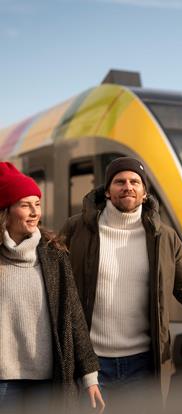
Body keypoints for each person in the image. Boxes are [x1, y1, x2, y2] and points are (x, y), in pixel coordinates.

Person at [60, 157, 182, 410]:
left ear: (144, 192)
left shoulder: (164, 237)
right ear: (107, 191)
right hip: (90, 363)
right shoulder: (76, 229)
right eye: (119, 182)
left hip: (144, 363)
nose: (127, 186)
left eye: (134, 182)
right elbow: (55, 283)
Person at [0, 162, 105, 413]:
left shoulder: (54, 254)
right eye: (25, 205)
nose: (35, 211)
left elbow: (74, 316)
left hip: (49, 380)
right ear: (6, 210)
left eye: (37, 203)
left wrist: (90, 378)